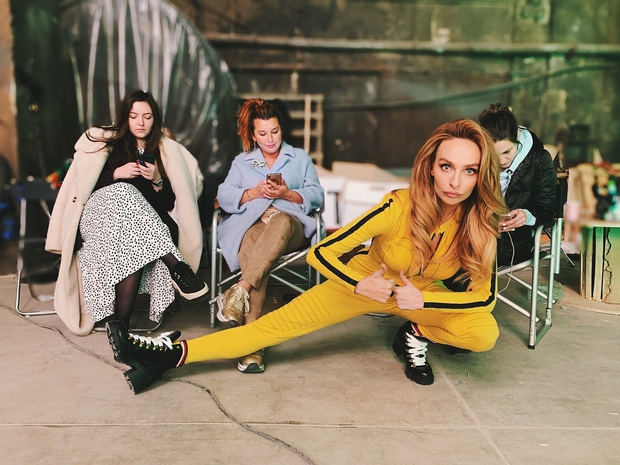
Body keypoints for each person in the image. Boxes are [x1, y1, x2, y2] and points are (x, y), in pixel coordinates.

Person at [106, 119, 506, 394]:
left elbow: (485, 297)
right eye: (447, 166)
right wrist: (359, 283)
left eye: (469, 171)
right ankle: (169, 355)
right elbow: (322, 253)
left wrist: (424, 302)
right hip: (365, 284)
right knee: (269, 329)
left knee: (484, 333)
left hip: (420, 297)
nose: (455, 181)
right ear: (430, 167)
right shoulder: (398, 207)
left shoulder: (481, 222)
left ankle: (414, 333)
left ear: (481, 174)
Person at [46, 90, 208, 336]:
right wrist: (115, 175)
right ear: (125, 118)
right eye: (134, 116)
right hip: (98, 219)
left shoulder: (161, 152)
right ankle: (177, 267)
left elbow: (167, 204)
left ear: (155, 120)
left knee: (132, 238)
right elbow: (83, 189)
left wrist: (157, 180)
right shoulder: (109, 146)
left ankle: (120, 328)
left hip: (136, 227)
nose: (140, 123)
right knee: (124, 191)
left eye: (147, 117)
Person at [214, 98, 324, 373]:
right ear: (253, 135)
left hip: (290, 227)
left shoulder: (299, 158)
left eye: (274, 131)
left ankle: (239, 290)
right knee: (254, 247)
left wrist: (288, 194)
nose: (270, 139)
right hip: (252, 225)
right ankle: (252, 344)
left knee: (281, 222)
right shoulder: (242, 162)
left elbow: (317, 193)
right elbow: (224, 195)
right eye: (262, 133)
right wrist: (253, 193)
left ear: (281, 129)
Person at [478, 104, 557, 267]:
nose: (501, 161)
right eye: (493, 154)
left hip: (514, 246)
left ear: (518, 136)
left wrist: (527, 216)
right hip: (473, 240)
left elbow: (548, 210)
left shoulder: (539, 160)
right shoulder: (474, 155)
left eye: (507, 152)